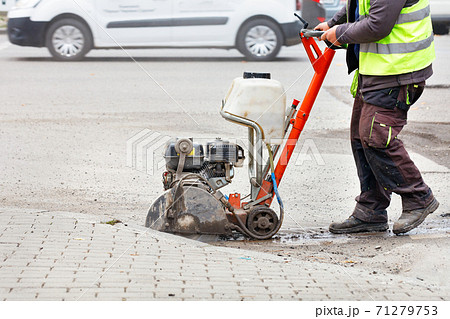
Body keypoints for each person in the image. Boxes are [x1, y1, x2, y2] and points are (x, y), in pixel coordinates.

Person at [315, 0, 439, 235]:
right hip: (379, 69)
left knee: (376, 136)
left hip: (399, 71)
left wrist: (339, 33)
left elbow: (377, 25)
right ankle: (370, 211)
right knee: (361, 137)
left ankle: (418, 197)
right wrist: (334, 23)